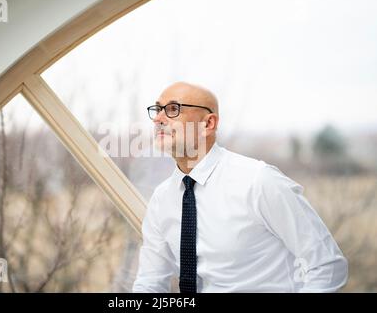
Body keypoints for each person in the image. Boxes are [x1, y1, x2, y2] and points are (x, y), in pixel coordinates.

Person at [132, 81, 348, 293]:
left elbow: (326, 266)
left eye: (172, 109)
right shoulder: (162, 198)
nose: (159, 118)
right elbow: (150, 280)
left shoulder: (259, 181)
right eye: (157, 109)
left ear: (208, 124)